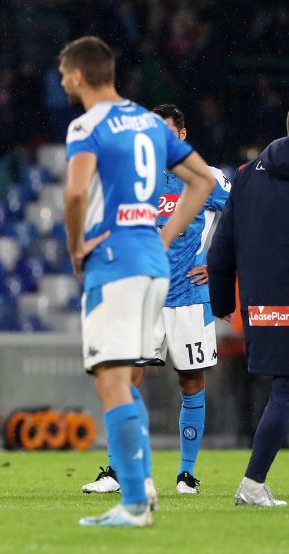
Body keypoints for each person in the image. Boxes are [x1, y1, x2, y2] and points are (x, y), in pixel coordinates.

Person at [59, 36, 215, 527]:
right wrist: (166, 234)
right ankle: (141, 485)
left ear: (80, 76)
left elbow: (76, 193)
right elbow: (204, 181)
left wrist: (75, 246)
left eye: (64, 73)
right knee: (125, 380)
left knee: (115, 382)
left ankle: (133, 502)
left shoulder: (89, 124)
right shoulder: (148, 123)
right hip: (153, 264)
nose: (62, 80)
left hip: (116, 262)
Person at [82, 104, 231, 496]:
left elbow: (241, 220)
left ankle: (186, 475)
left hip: (190, 298)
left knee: (190, 381)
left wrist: (218, 268)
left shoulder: (206, 178)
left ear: (181, 135)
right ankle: (118, 471)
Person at [208, 115, 289, 508]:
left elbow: (221, 249)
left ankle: (254, 483)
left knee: (285, 390)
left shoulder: (246, 175)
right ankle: (253, 483)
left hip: (265, 307)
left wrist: (222, 303)